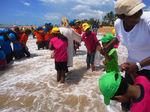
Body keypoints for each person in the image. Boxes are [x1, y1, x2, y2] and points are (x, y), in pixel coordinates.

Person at [97, 0, 150, 110]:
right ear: (122, 17)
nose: (140, 13)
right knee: (126, 100)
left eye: (139, 10)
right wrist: (108, 47)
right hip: (131, 66)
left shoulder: (148, 21)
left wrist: (138, 65)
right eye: (134, 13)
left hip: (147, 67)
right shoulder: (118, 23)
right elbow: (118, 37)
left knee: (145, 101)